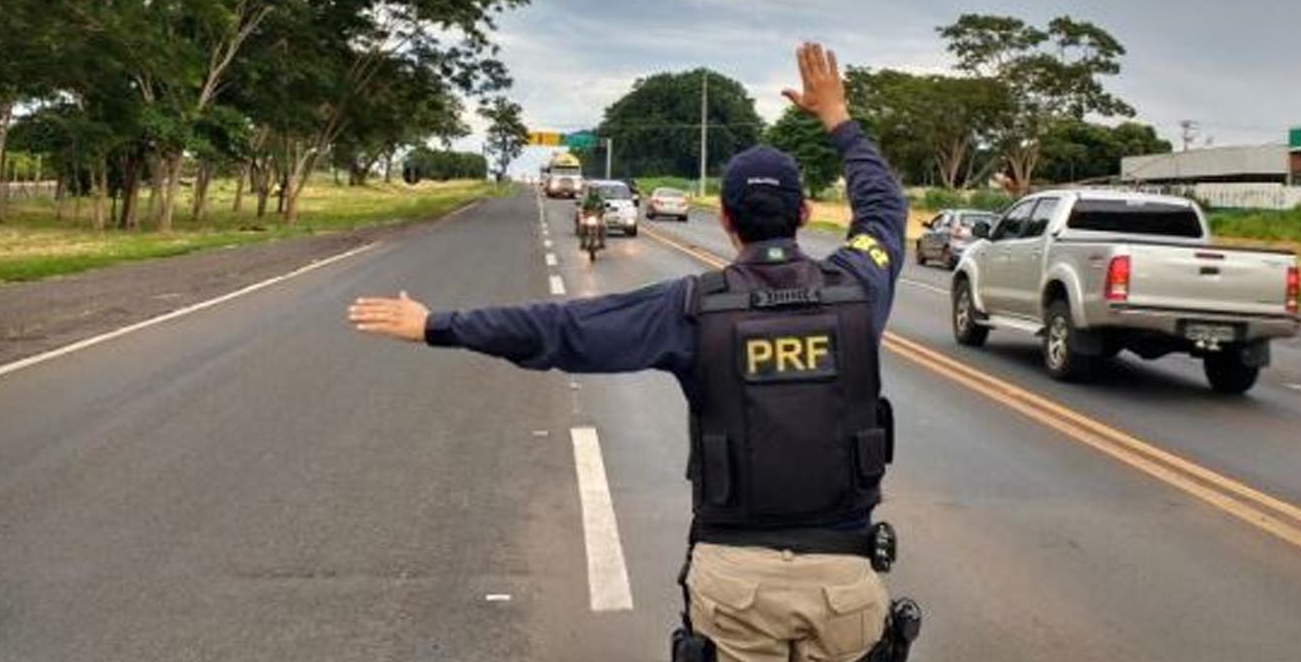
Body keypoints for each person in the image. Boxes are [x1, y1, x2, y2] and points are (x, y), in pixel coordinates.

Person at [349, 43, 914, 662]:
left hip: (735, 584)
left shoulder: (692, 307)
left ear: (724, 219)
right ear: (805, 214)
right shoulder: (861, 285)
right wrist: (838, 116)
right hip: (845, 578)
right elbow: (885, 207)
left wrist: (436, 324)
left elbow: (560, 329)